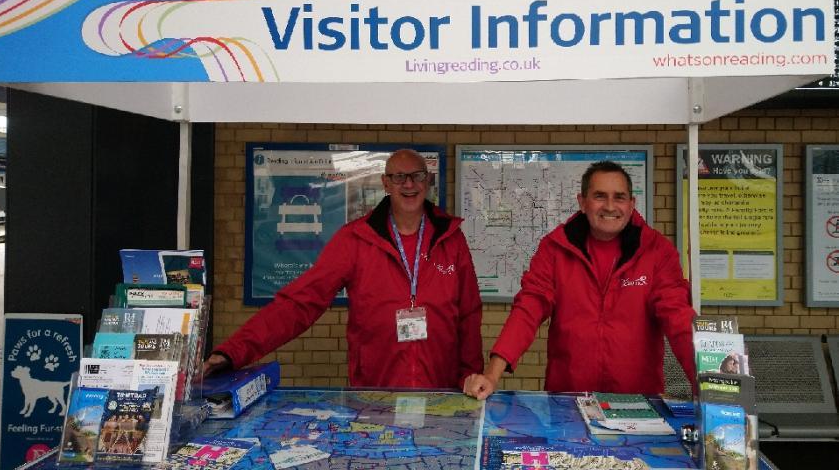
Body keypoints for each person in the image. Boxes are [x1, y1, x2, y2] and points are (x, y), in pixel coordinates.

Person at [205, 149, 483, 389]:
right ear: (386, 183)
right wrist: (233, 353)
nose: (408, 184)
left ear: (428, 180)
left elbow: (469, 315)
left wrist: (470, 376)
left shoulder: (451, 239)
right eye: (399, 177)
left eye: (417, 176)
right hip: (375, 394)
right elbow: (300, 303)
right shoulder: (355, 239)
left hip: (442, 394)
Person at [463, 161, 696, 399]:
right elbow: (528, 309)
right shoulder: (555, 249)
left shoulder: (657, 251)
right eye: (599, 196)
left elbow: (678, 318)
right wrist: (492, 374)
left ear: (631, 204)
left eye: (619, 197)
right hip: (568, 402)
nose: (609, 206)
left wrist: (709, 384)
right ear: (582, 202)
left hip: (638, 404)